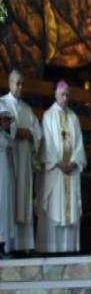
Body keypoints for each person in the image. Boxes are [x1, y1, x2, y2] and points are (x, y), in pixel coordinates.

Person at [36, 81, 86, 253]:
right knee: (55, 209)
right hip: (56, 172)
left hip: (70, 172)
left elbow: (79, 144)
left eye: (67, 95)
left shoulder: (74, 117)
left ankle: (69, 249)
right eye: (62, 94)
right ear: (56, 95)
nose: (65, 98)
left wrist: (73, 162)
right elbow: (47, 144)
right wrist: (58, 162)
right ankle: (53, 249)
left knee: (69, 212)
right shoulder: (48, 116)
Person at [0, 70, 42, 253]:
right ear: (10, 84)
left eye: (22, 84)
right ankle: (7, 245)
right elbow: (6, 127)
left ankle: (23, 246)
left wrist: (30, 133)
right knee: (7, 200)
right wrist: (17, 131)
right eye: (17, 83)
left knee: (22, 198)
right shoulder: (2, 103)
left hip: (23, 160)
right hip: (7, 159)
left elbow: (37, 131)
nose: (20, 87)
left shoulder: (26, 108)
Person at [0, 104, 13, 258]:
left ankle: (2, 245)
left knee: (4, 208)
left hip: (4, 174)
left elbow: (11, 143)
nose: (6, 122)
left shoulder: (5, 136)